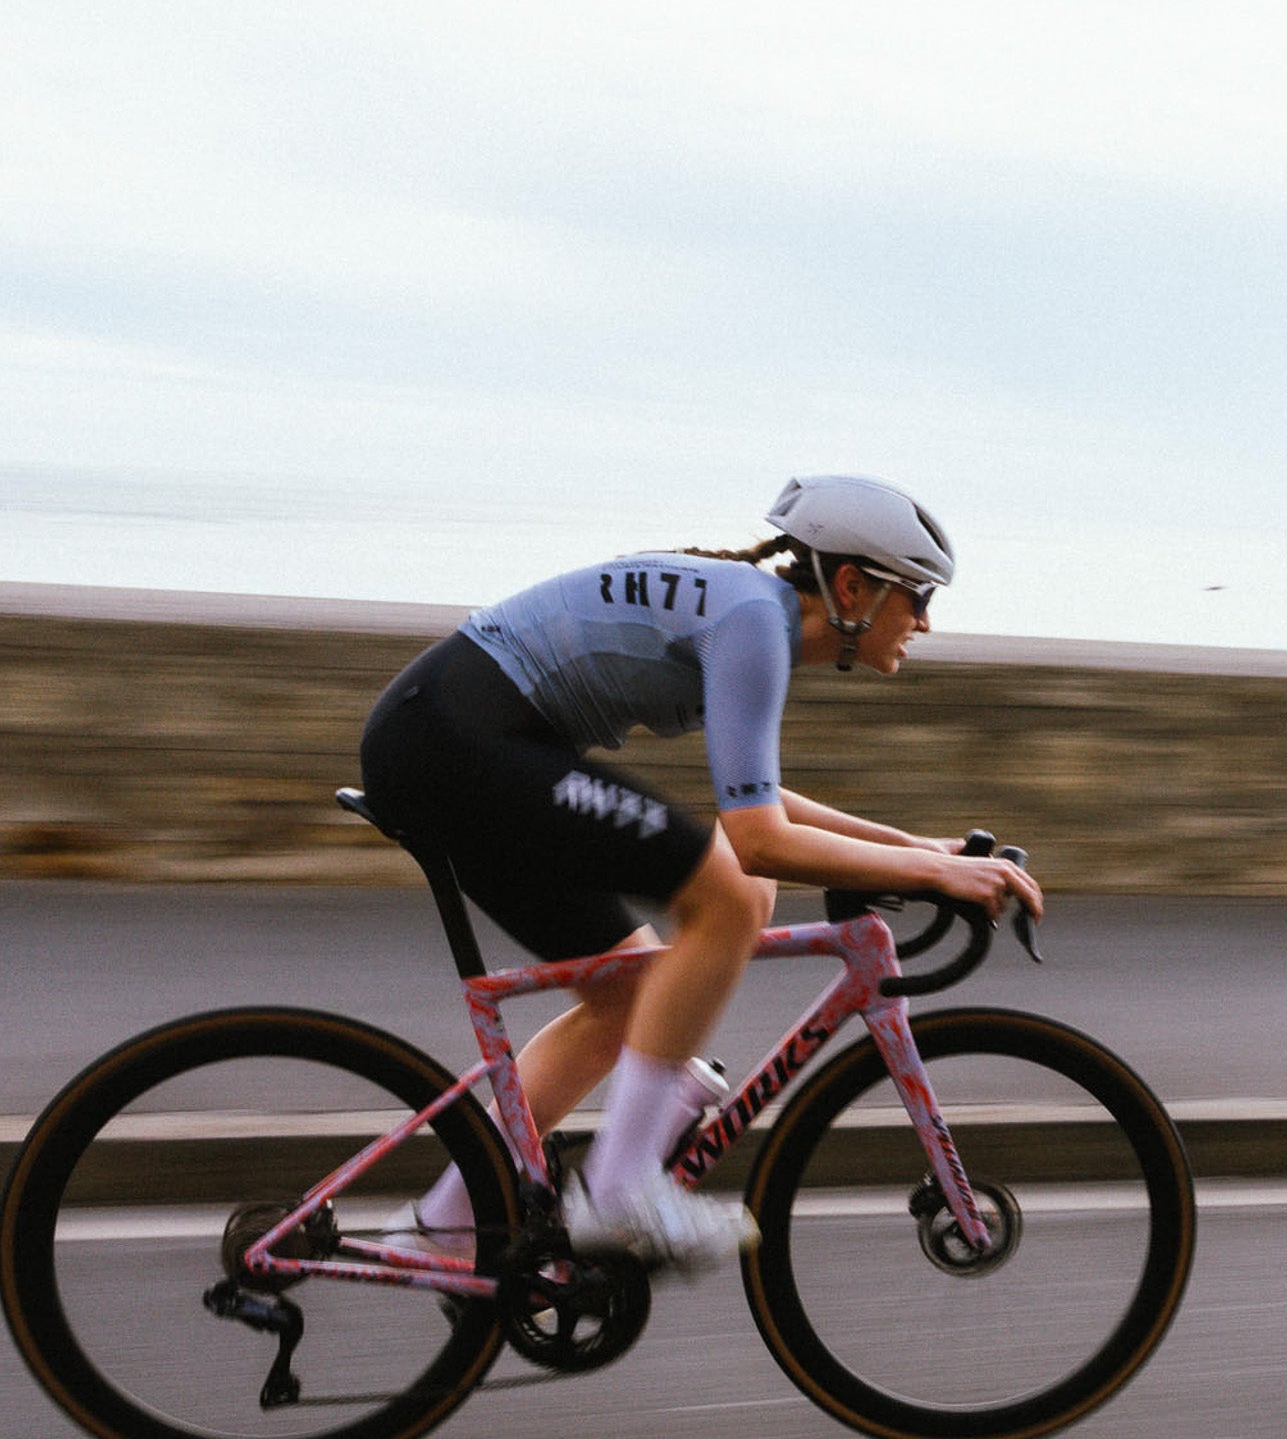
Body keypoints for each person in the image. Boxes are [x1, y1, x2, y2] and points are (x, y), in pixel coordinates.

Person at [358, 473, 1043, 1272]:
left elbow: (759, 800)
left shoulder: (753, 616)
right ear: (854, 587)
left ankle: (443, 1225)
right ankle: (620, 1191)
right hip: (454, 741)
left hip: (451, 741)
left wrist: (921, 851)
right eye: (917, 596)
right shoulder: (753, 623)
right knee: (727, 898)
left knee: (628, 993)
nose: (924, 620)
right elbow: (760, 841)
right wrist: (932, 876)